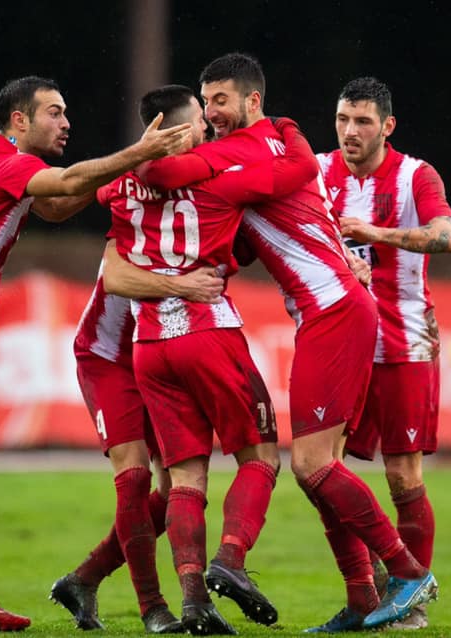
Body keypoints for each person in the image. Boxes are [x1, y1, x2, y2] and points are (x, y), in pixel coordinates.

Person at [151, 53, 438, 632]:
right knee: (322, 468)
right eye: (206, 104)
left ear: (252, 101)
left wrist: (139, 155)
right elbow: (250, 231)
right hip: (328, 310)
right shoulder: (278, 141)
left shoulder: (237, 151)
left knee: (313, 465)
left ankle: (408, 574)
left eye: (221, 101)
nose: (210, 114)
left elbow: (164, 176)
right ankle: (362, 598)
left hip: (334, 310)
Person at [0, 75, 190, 635]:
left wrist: (123, 173)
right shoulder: (5, 162)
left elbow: (55, 206)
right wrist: (140, 153)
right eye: (54, 112)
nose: (66, 122)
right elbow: (71, 179)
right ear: (20, 120)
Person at [100, 83, 322, 635]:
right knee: (260, 456)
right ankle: (232, 558)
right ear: (176, 130)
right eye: (198, 119)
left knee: (185, 481)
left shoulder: (122, 185)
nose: (207, 126)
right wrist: (288, 130)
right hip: (208, 333)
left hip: (148, 346)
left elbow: (98, 212)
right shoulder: (219, 181)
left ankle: (195, 602)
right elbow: (293, 175)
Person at [315, 77, 451, 630]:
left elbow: (447, 237)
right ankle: (366, 595)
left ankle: (410, 604)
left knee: (403, 476)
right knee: (323, 473)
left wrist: (375, 234)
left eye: (364, 122)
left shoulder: (414, 175)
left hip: (403, 342)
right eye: (343, 119)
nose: (351, 132)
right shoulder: (320, 170)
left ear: (388, 126)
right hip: (339, 342)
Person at [50, 245, 225, 634]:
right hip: (108, 358)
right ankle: (152, 608)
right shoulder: (132, 216)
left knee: (177, 492)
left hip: (161, 352)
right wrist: (184, 285)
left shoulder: (202, 219)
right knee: (133, 479)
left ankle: (83, 580)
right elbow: (117, 278)